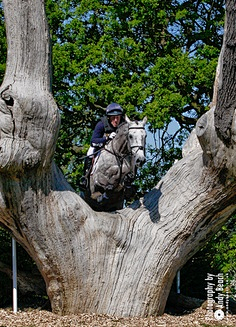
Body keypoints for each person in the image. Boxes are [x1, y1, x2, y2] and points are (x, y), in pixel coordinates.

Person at [79, 103, 125, 189]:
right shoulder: (101, 124)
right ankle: (85, 177)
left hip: (119, 151)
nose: (116, 120)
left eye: (118, 117)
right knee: (90, 152)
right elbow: (93, 141)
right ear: (108, 117)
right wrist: (106, 138)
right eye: (113, 117)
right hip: (101, 147)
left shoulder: (123, 124)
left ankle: (129, 180)